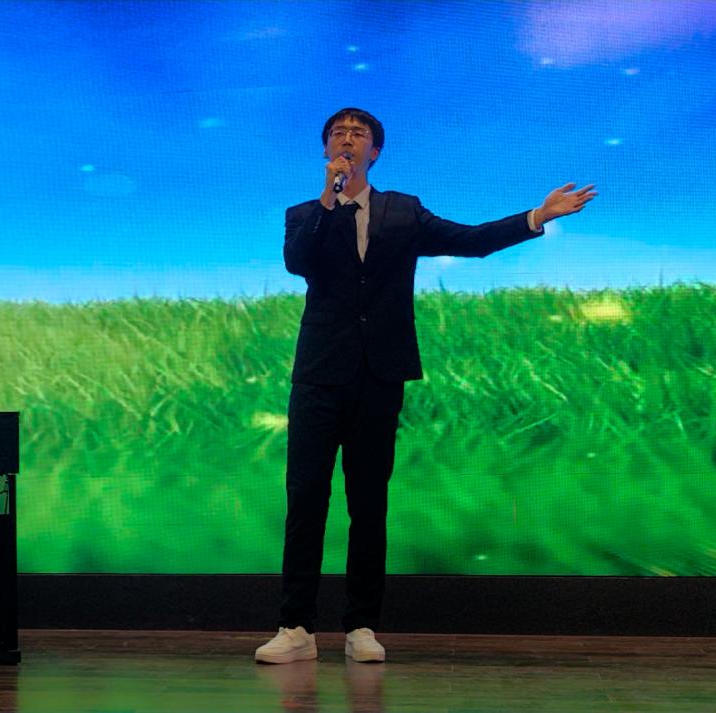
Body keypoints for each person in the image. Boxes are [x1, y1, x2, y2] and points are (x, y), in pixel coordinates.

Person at [254, 108, 596, 665]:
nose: (347, 139)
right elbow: (299, 263)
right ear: (326, 151)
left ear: (375, 152)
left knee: (369, 502)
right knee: (306, 499)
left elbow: (471, 241)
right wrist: (327, 199)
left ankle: (361, 626)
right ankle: (295, 627)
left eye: (359, 134)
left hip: (380, 375)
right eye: (338, 134)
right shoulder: (306, 214)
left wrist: (537, 216)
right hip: (319, 376)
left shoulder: (402, 210)